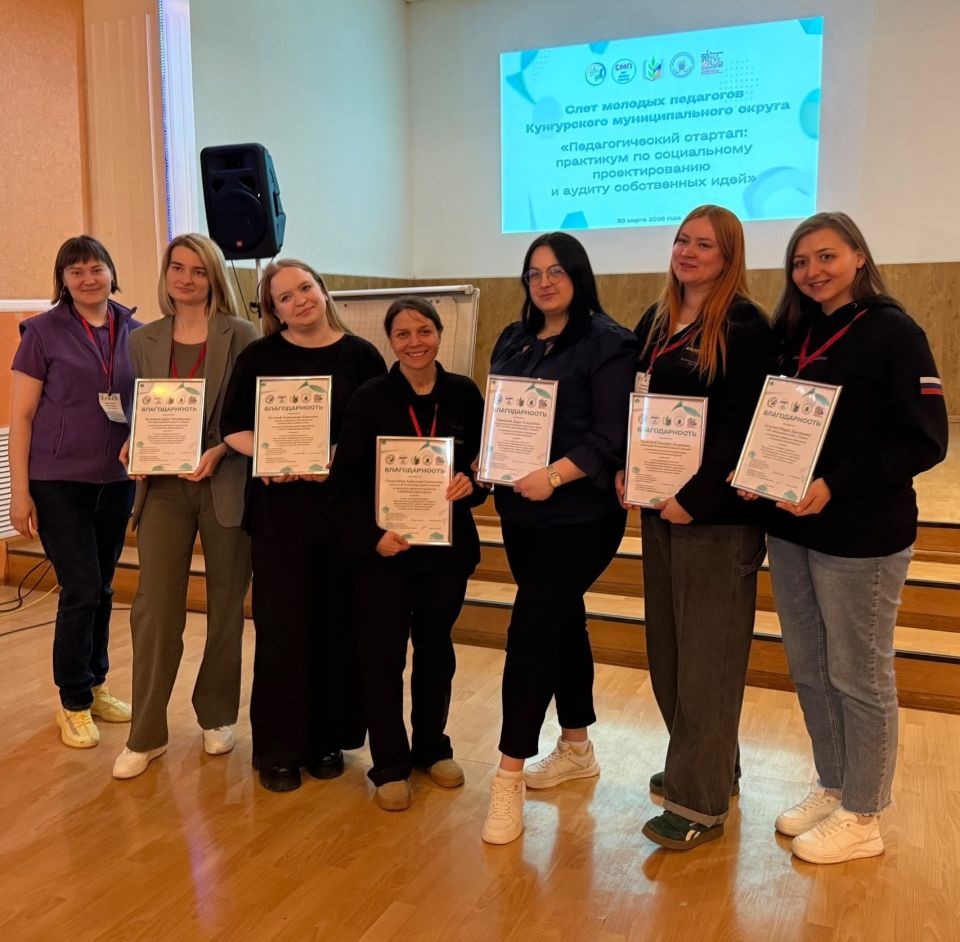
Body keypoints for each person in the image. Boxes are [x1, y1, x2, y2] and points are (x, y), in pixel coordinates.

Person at [759, 212, 948, 863]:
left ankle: (864, 814)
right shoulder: (793, 333)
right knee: (810, 668)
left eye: (826, 256)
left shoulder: (894, 331)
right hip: (790, 527)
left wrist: (836, 484)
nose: (812, 271)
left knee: (859, 674)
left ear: (859, 257)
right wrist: (758, 472)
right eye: (800, 261)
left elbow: (926, 440)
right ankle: (835, 784)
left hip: (862, 535)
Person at [619, 204, 776, 850]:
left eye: (704, 244)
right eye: (682, 239)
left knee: (709, 659)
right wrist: (629, 470)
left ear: (728, 255)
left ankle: (698, 804)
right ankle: (711, 764)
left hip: (715, 519)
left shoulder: (746, 325)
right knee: (670, 653)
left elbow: (747, 426)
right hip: (659, 508)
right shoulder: (655, 321)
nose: (687, 251)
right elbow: (637, 408)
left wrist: (700, 496)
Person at [480, 232, 638, 845]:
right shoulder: (513, 338)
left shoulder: (609, 341)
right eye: (533, 273)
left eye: (556, 271)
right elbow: (502, 417)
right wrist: (488, 459)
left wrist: (552, 476)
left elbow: (609, 436)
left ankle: (508, 775)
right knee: (562, 620)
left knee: (531, 628)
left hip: (581, 515)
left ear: (578, 274)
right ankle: (577, 747)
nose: (544, 283)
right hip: (521, 513)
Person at [220, 259, 386, 792]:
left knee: (338, 628)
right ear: (274, 310)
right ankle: (279, 750)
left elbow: (379, 431)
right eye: (285, 297)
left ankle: (327, 741)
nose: (300, 301)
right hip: (279, 517)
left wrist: (339, 456)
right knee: (282, 633)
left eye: (306, 288)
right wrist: (270, 454)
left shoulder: (362, 355)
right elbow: (232, 427)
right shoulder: (259, 356)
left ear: (323, 289)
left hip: (343, 515)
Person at [331, 296, 484, 811]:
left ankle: (431, 747)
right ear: (390, 342)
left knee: (436, 651)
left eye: (424, 331)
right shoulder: (370, 397)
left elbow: (483, 469)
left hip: (446, 554)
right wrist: (371, 536)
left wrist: (472, 485)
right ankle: (390, 763)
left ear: (439, 334)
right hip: (385, 554)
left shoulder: (463, 394)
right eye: (403, 334)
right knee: (383, 657)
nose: (415, 342)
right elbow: (345, 483)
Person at [112, 233, 257, 779]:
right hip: (163, 489)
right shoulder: (143, 339)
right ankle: (146, 732)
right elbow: (144, 410)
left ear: (213, 276)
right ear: (166, 273)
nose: (187, 278)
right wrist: (135, 441)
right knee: (154, 608)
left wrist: (222, 449)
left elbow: (251, 414)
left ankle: (217, 713)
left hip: (225, 481)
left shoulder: (241, 333)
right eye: (178, 267)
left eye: (198, 270)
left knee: (226, 605)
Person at [9, 236, 138, 748]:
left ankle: (96, 682)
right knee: (81, 588)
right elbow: (21, 416)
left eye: (96, 268)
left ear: (111, 273)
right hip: (57, 480)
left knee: (103, 587)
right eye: (76, 271)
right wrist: (19, 492)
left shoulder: (136, 332)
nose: (88, 279)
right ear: (62, 279)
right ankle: (72, 701)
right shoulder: (41, 332)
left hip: (117, 480)